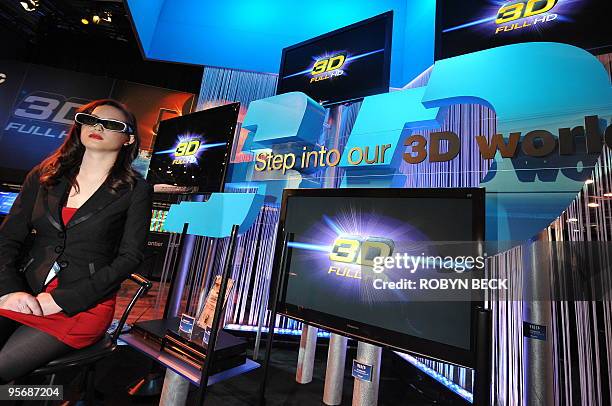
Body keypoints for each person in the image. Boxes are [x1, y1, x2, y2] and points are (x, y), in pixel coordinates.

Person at [0, 99, 152, 382]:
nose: (98, 127)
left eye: (111, 124)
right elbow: (7, 239)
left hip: (82, 304)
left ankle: (46, 396)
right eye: (91, 120)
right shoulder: (45, 174)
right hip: (22, 291)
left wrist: (62, 300)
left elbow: (130, 257)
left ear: (128, 138)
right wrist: (9, 290)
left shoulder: (136, 189)